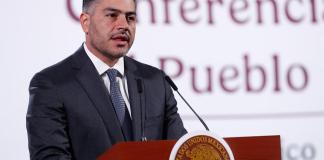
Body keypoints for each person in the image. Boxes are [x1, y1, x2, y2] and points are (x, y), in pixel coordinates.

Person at [26, 0, 187, 159]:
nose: (124, 25)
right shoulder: (52, 84)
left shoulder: (155, 81)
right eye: (112, 15)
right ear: (85, 22)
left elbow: (181, 151)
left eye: (130, 17)